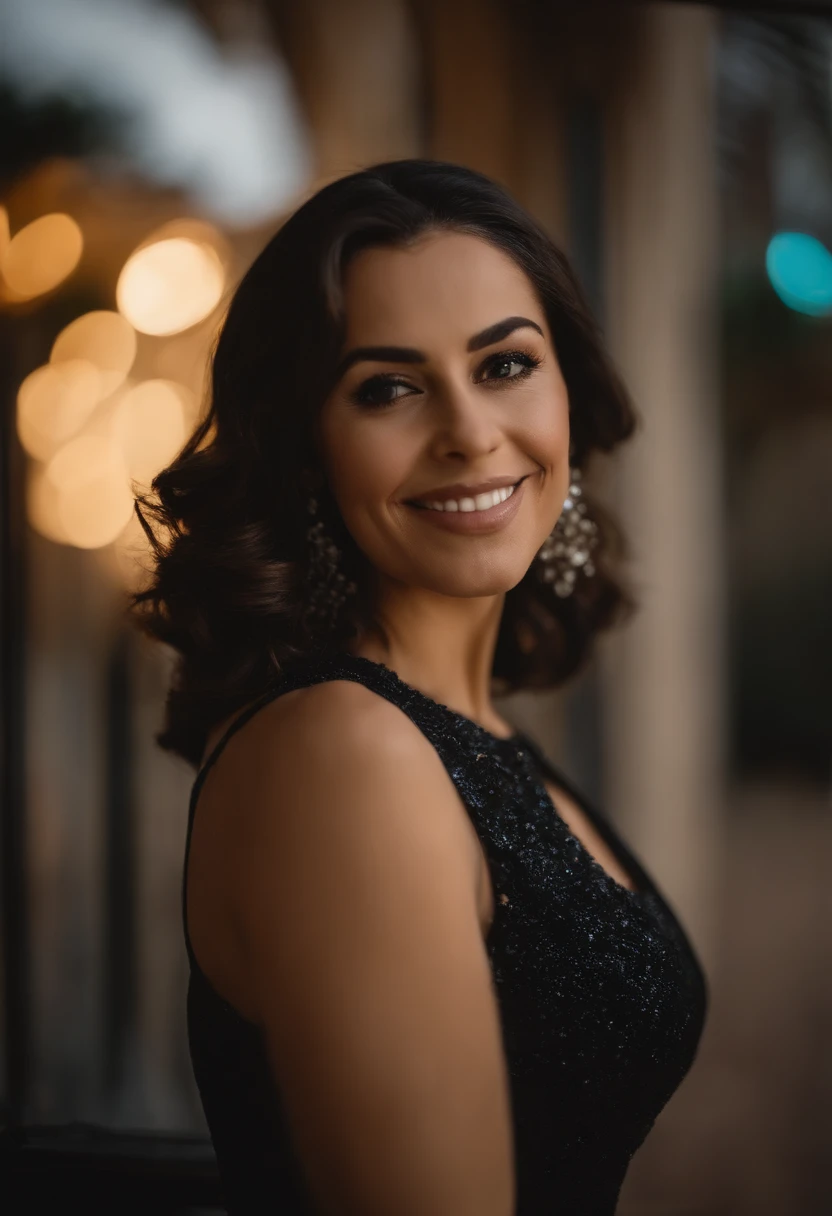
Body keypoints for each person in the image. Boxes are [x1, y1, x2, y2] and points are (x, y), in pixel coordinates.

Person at [130, 159, 708, 1216]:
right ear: (305, 447)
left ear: (565, 391)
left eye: (505, 365)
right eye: (388, 387)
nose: (470, 433)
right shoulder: (346, 754)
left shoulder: (461, 730)